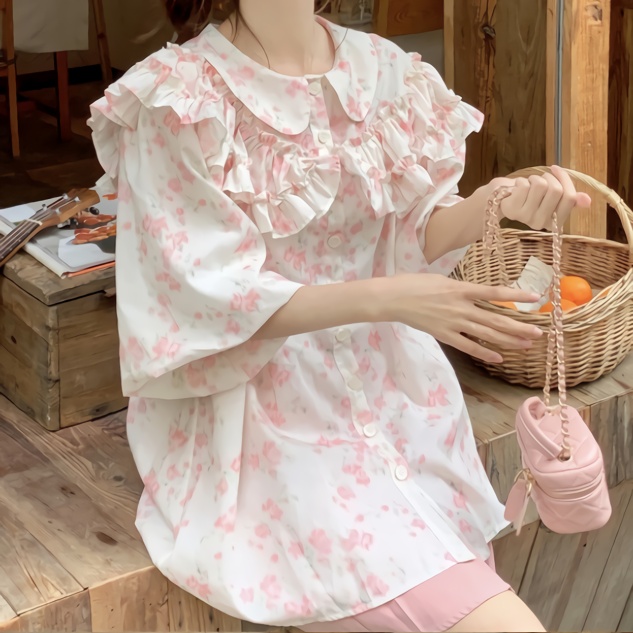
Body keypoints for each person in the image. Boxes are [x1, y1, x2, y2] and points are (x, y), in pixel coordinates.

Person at [88, 1, 591, 631]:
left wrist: (494, 202)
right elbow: (208, 296)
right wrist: (392, 298)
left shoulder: (385, 72)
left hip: (402, 406)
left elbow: (411, 231)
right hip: (262, 427)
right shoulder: (179, 100)